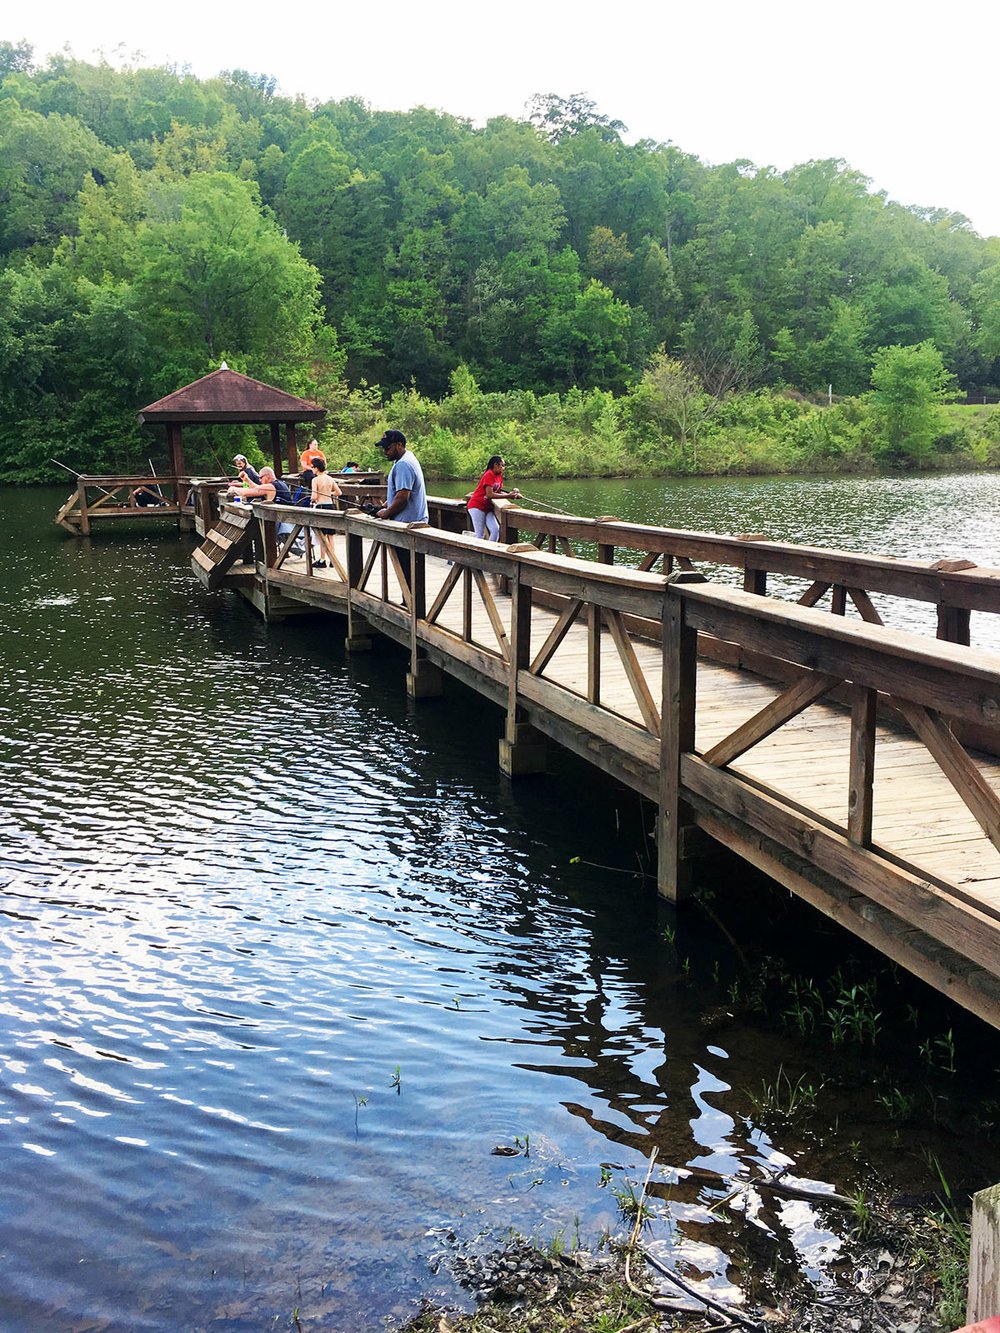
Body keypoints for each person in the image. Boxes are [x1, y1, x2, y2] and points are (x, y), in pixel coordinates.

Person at [374, 429, 427, 594]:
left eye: (388, 447)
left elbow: (403, 497)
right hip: (413, 524)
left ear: (399, 445)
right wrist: (385, 505)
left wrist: (386, 513)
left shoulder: (403, 464)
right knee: (409, 572)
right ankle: (410, 602)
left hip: (407, 527)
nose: (385, 451)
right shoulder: (407, 459)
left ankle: (411, 604)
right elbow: (399, 493)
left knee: (408, 572)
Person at [466, 455, 521, 541]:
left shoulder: (499, 476)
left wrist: (513, 495)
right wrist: (508, 496)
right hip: (477, 506)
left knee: (496, 530)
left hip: (487, 508)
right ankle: (480, 549)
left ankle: (490, 547)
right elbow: (490, 494)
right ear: (495, 465)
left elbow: (498, 492)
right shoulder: (489, 474)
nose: (503, 468)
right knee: (480, 535)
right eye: (502, 465)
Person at [310, 458, 342, 569]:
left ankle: (322, 559)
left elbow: (314, 496)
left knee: (322, 535)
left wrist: (313, 498)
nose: (312, 469)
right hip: (331, 506)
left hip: (321, 506)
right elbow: (339, 492)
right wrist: (329, 494)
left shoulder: (315, 480)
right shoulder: (329, 478)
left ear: (316, 468)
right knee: (331, 535)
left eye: (312, 467)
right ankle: (333, 560)